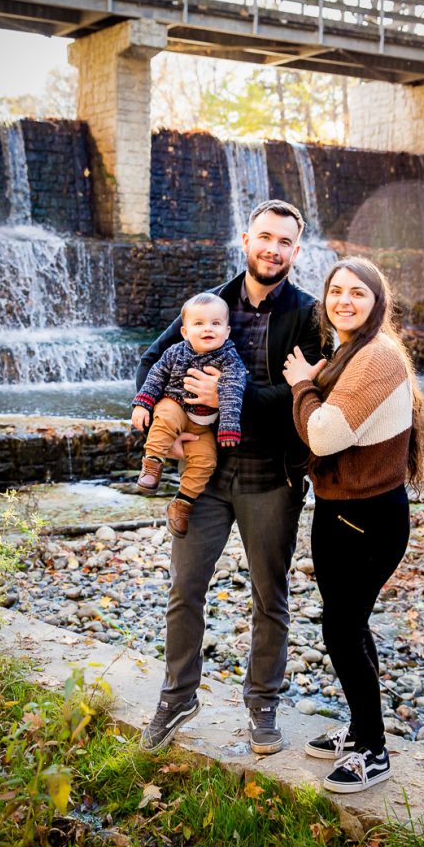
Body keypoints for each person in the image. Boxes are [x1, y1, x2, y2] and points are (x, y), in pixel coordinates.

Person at [136, 200, 324, 755]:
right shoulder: (210, 304)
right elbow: (153, 358)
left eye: (284, 241)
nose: (273, 249)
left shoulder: (309, 316)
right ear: (246, 240)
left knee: (270, 596)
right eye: (264, 237)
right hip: (207, 479)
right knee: (184, 588)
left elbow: (305, 394)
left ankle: (262, 703)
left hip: (272, 479)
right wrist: (153, 416)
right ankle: (177, 697)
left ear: (296, 250)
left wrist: (227, 397)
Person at [283, 257, 424, 793]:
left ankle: (374, 750)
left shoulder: (376, 358)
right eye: (336, 291)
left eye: (357, 293)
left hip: (365, 517)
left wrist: (302, 384)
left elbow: (322, 435)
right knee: (350, 622)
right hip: (344, 511)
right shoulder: (352, 351)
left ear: (377, 303)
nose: (344, 300)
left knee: (341, 628)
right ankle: (363, 728)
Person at [131, 292, 247, 539]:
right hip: (174, 405)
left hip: (203, 427)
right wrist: (142, 404)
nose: (208, 329)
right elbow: (155, 376)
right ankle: (152, 464)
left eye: (216, 324)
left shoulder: (230, 359)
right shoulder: (175, 352)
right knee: (167, 417)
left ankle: (181, 504)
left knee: (206, 461)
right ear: (185, 332)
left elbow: (233, 392)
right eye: (199, 324)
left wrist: (228, 426)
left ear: (227, 331)